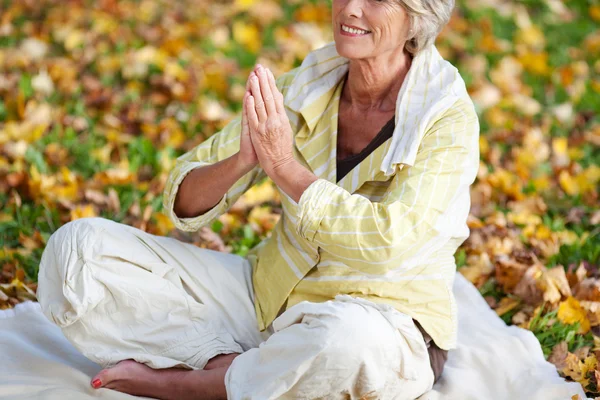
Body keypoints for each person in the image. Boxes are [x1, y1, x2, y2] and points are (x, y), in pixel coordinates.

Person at [36, 0, 480, 398]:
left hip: (383, 321)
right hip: (268, 298)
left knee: (342, 342)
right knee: (77, 251)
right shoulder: (306, 86)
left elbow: (391, 243)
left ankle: (194, 384)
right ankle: (244, 368)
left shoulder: (446, 117)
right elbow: (183, 203)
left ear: (418, 17)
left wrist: (285, 167)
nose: (350, 9)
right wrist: (245, 159)